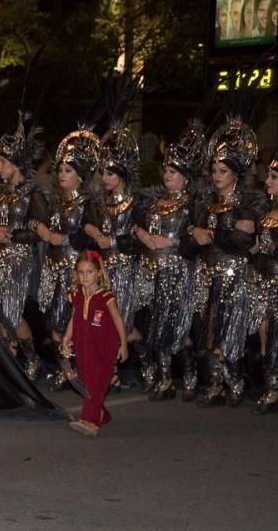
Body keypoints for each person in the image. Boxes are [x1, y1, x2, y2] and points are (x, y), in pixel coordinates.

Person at [190, 117, 260, 408]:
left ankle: (235, 382)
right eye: (214, 170)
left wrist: (212, 234)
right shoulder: (205, 206)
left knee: (231, 330)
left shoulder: (246, 204)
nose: (217, 176)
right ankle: (216, 384)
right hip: (208, 276)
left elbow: (242, 242)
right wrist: (196, 233)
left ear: (235, 174)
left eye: (223, 171)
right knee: (210, 331)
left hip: (235, 276)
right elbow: (190, 241)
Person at [133, 122, 203, 401]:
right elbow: (134, 225)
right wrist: (142, 234)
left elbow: (196, 240)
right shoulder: (153, 202)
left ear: (185, 176)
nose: (166, 176)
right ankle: (164, 379)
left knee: (176, 325)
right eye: (165, 171)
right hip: (151, 271)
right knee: (154, 324)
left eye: (172, 172)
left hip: (177, 272)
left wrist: (170, 242)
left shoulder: (192, 205)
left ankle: (189, 374)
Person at [35, 127, 99, 391]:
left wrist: (62, 239)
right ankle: (66, 368)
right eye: (59, 170)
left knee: (73, 321)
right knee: (53, 320)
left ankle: (79, 369)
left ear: (80, 176)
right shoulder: (55, 202)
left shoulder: (87, 204)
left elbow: (91, 236)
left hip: (75, 270)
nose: (61, 175)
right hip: (53, 266)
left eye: (68, 171)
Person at [0, 113, 46, 379]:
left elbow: (39, 230)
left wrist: (9, 235)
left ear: (16, 165)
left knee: (11, 312)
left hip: (20, 259)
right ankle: (9, 360)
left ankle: (32, 357)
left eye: (3, 162)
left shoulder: (32, 194)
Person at [82, 120, 142, 389]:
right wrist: (96, 235)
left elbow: (137, 238)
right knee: (103, 322)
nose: (105, 178)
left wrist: (113, 241)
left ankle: (138, 363)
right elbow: (85, 223)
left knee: (122, 323)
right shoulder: (98, 203)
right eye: (102, 172)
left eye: (110, 173)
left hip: (125, 268)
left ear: (122, 174)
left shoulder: (135, 203)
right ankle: (112, 372)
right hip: (103, 270)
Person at [62, 251, 128, 437]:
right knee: (86, 382)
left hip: (104, 348)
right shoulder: (77, 295)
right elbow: (74, 319)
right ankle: (101, 414)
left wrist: (123, 345)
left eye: (89, 272)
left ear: (99, 273)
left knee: (94, 383)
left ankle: (90, 422)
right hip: (83, 346)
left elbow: (118, 321)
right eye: (81, 272)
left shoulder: (106, 297)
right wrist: (67, 339)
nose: (85, 276)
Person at [254, 155, 278, 413]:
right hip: (263, 282)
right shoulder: (266, 213)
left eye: (273, 178)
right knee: (265, 336)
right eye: (268, 176)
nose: (267, 181)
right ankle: (271, 388)